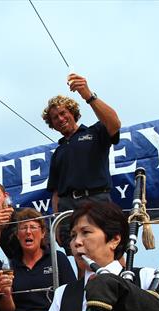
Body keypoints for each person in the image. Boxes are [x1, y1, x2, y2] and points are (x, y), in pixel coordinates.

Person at [43, 73, 121, 253]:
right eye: (55, 118)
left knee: (111, 250)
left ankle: (120, 282)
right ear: (52, 125)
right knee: (80, 255)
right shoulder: (58, 152)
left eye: (63, 113)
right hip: (68, 208)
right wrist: (56, 220)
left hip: (97, 200)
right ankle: (88, 283)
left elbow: (114, 124)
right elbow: (55, 192)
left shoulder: (95, 132)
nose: (60, 119)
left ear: (73, 113)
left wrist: (88, 94)